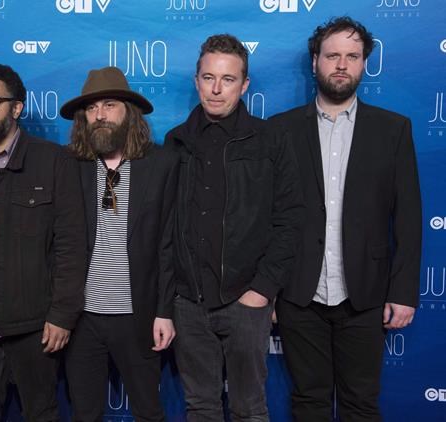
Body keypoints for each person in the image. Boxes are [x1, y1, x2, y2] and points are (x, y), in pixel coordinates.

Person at [269, 17, 422, 422]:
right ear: (315, 61)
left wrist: (404, 291)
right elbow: (266, 218)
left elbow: (408, 218)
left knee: (360, 404)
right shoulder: (280, 130)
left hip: (366, 294)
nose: (341, 64)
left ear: (364, 63)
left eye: (352, 56)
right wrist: (268, 291)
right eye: (332, 55)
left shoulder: (393, 130)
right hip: (298, 294)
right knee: (309, 402)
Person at [164, 34, 304, 421]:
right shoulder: (175, 142)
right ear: (196, 81)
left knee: (249, 409)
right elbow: (166, 225)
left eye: (227, 79)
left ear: (244, 85)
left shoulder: (270, 140)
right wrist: (173, 295)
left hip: (246, 300)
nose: (216, 89)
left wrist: (262, 290)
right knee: (200, 407)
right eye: (208, 78)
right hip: (188, 302)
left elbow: (290, 218)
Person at [0, 63, 87, 421]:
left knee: (40, 414)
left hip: (34, 326)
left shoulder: (53, 160)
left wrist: (62, 315)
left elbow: (72, 246)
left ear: (16, 108)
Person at [60, 66, 178, 422]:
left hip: (137, 315)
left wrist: (165, 311)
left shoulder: (162, 163)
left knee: (149, 411)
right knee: (84, 414)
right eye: (92, 108)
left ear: (129, 112)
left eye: (109, 105)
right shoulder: (70, 164)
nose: (100, 115)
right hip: (82, 318)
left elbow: (169, 244)